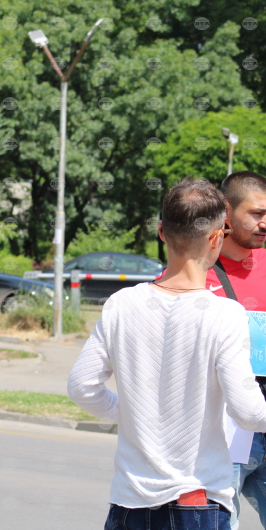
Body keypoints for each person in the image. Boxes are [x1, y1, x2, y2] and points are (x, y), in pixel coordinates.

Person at [68, 178, 266, 530]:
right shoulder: (224, 314)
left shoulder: (121, 304)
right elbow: (249, 412)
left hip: (128, 500)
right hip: (197, 499)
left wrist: (129, 413)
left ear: (162, 232)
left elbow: (82, 388)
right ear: (217, 238)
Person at [207, 171, 266, 530]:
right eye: (257, 213)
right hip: (224, 432)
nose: (265, 223)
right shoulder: (194, 273)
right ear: (226, 212)